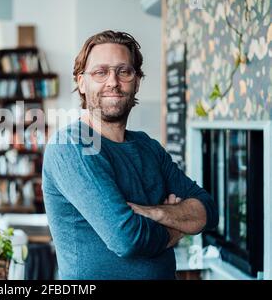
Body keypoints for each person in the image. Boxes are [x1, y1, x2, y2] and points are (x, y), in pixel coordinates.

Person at [41, 30, 218, 280]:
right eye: (100, 72)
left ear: (137, 81)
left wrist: (155, 213)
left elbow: (208, 210)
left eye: (124, 71)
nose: (113, 81)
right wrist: (176, 229)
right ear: (82, 82)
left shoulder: (148, 146)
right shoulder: (70, 145)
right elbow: (127, 239)